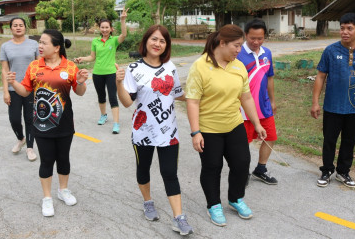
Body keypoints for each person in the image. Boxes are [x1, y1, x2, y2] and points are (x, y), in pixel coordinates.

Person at [116, 25, 193, 236]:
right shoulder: (133, 69)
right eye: (154, 39)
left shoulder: (170, 67)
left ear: (166, 45)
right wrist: (119, 83)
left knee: (170, 173)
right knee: (144, 169)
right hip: (142, 131)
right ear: (146, 41)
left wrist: (200, 97)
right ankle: (148, 202)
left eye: (162, 41)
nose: (157, 44)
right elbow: (125, 102)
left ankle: (179, 218)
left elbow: (178, 93)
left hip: (168, 132)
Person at [186, 24, 267, 227]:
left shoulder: (238, 66)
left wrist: (256, 123)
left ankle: (235, 198)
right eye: (236, 46)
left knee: (241, 163)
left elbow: (246, 97)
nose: (239, 50)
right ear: (222, 43)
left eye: (240, 46)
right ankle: (213, 204)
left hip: (234, 124)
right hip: (209, 128)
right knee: (212, 167)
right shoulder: (200, 66)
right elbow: (193, 101)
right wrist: (196, 132)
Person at [6, 29, 88, 217]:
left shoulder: (70, 67)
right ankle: (47, 198)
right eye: (39, 43)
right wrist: (13, 83)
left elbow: (80, 92)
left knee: (64, 159)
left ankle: (63, 190)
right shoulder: (34, 66)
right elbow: (25, 91)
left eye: (44, 43)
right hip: (41, 124)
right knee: (47, 161)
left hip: (65, 124)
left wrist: (81, 82)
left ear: (57, 47)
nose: (39, 46)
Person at [311, 12, 355, 189]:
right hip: (333, 106)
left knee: (349, 140)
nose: (345, 32)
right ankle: (326, 170)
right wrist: (315, 102)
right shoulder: (331, 51)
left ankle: (343, 172)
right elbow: (320, 76)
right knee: (329, 140)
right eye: (342, 28)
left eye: (350, 28)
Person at [237, 18, 278, 185]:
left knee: (271, 137)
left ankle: (261, 169)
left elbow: (270, 78)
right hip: (242, 109)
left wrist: (273, 101)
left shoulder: (266, 53)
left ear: (264, 37)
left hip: (264, 106)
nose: (255, 42)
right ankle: (242, 172)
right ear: (246, 35)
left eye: (260, 38)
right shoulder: (237, 53)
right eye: (252, 38)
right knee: (242, 143)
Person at [74, 7, 128, 134]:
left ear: (111, 29)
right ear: (100, 29)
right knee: (101, 96)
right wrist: (82, 59)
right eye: (102, 27)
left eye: (107, 27)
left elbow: (124, 34)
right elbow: (92, 57)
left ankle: (116, 123)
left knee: (112, 97)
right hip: (97, 73)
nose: (104, 30)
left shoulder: (114, 41)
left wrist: (123, 20)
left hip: (111, 73)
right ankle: (103, 115)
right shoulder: (95, 41)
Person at [0, 17, 39, 161]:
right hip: (13, 88)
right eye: (15, 25)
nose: (18, 27)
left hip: (30, 88)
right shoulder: (5, 46)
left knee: (30, 119)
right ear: (11, 28)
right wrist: (5, 91)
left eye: (21, 25)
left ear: (25, 28)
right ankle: (20, 138)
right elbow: (5, 70)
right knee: (14, 119)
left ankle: (30, 148)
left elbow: (39, 66)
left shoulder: (33, 44)